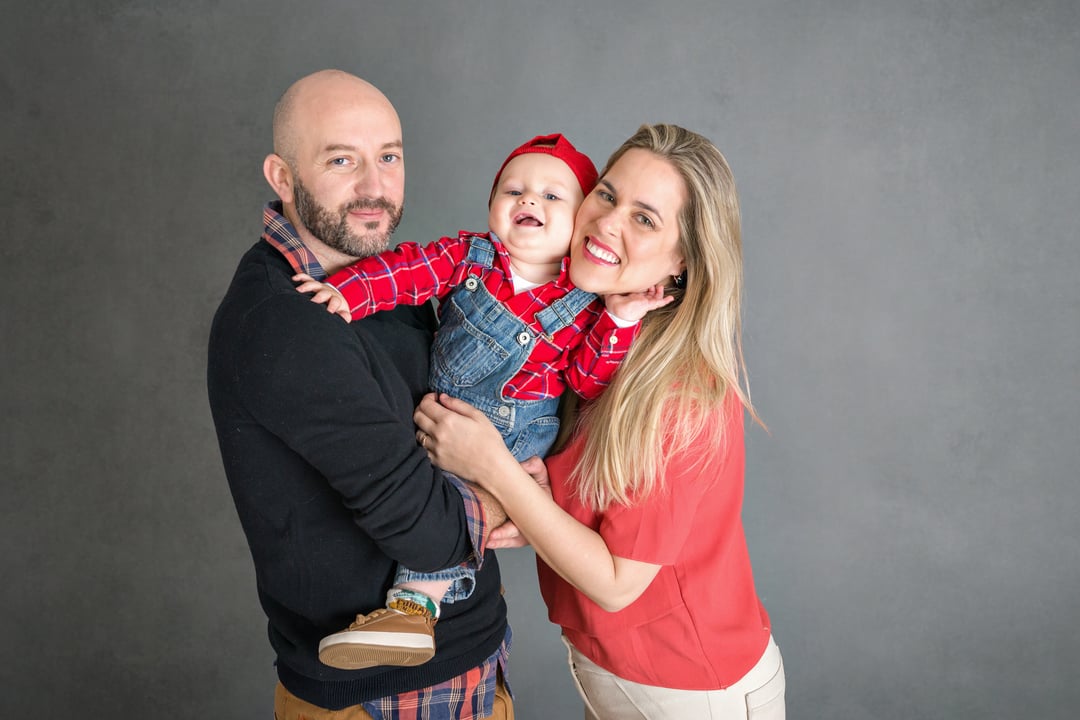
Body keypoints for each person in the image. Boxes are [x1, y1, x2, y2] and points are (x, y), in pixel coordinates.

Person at [414, 124, 786, 719]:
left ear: (684, 259)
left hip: (692, 688)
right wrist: (530, 504)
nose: (608, 223)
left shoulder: (680, 391)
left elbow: (616, 583)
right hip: (616, 676)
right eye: (608, 195)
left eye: (645, 219)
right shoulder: (583, 338)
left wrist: (491, 467)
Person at [294, 134, 675, 671]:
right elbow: (407, 271)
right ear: (492, 206)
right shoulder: (469, 257)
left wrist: (620, 321)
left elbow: (589, 381)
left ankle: (413, 607)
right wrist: (350, 293)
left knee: (450, 502)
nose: (529, 202)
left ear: (576, 225)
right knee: (403, 494)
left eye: (551, 196)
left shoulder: (586, 302)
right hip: (444, 412)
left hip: (519, 432)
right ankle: (395, 597)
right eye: (513, 190)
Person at [207, 69, 514, 720]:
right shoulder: (286, 323)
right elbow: (431, 536)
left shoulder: (383, 283)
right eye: (342, 160)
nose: (374, 187)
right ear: (282, 177)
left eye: (389, 157)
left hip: (469, 662)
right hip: (390, 698)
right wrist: (510, 493)